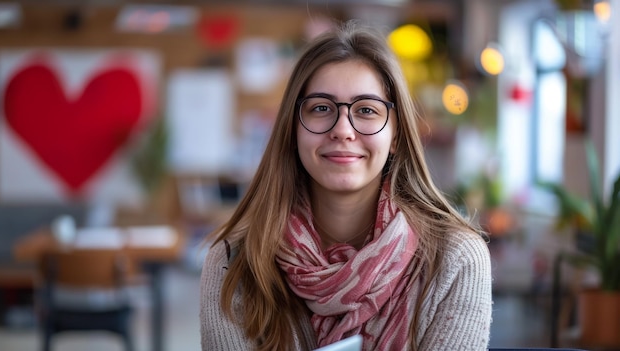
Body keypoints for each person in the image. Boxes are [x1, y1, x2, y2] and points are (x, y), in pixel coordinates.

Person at [199, 20, 493, 351]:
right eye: (321, 108)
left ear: (395, 135)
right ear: (293, 131)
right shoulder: (233, 263)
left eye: (366, 110)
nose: (343, 129)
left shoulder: (455, 259)